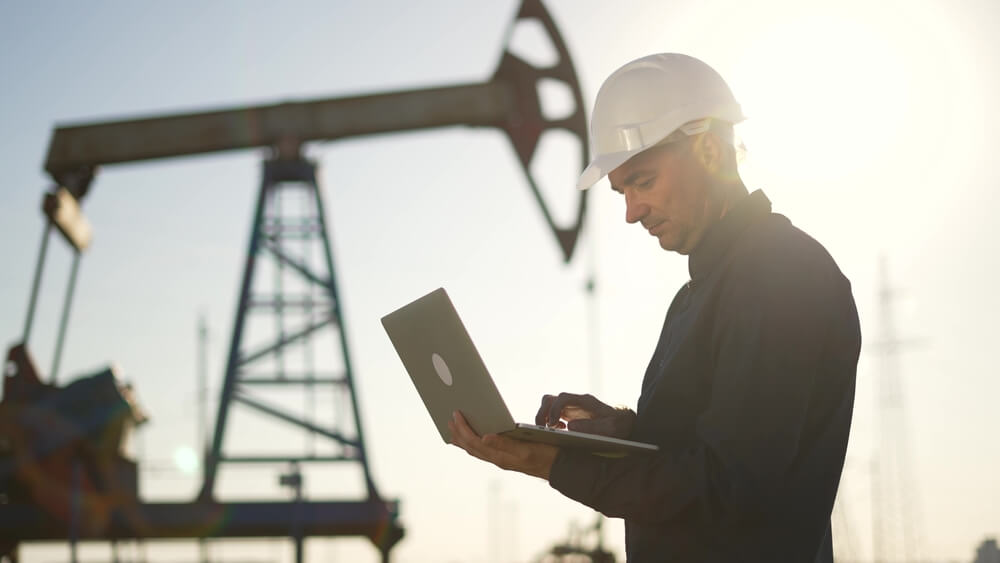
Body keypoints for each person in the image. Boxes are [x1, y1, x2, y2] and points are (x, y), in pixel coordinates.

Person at [448, 53, 861, 562]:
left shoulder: (778, 274)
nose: (631, 212)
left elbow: (728, 490)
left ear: (710, 150)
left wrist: (550, 462)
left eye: (643, 181)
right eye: (622, 191)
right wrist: (621, 430)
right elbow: (711, 447)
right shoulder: (704, 291)